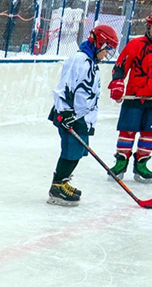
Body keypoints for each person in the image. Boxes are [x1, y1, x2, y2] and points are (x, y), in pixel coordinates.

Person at [48, 24, 119, 206]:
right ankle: (57, 187)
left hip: (82, 118)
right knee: (70, 152)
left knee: (79, 152)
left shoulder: (91, 62)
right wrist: (65, 113)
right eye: (107, 50)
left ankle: (63, 181)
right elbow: (63, 88)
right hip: (70, 116)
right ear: (100, 43)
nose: (106, 54)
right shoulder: (79, 60)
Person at [107, 12, 152, 183]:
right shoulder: (136, 44)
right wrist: (117, 83)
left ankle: (141, 164)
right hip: (134, 98)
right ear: (149, 27)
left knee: (150, 133)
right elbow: (120, 67)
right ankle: (121, 161)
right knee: (127, 132)